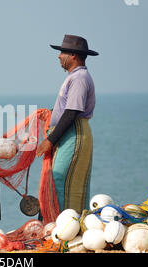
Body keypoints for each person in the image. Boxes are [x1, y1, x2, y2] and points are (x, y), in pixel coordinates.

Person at [36, 34, 99, 213]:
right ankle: (65, 226)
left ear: (73, 55)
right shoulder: (75, 77)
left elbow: (72, 112)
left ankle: (64, 228)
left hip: (74, 133)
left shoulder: (79, 78)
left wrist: (50, 140)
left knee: (59, 180)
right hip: (70, 132)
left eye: (62, 52)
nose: (58, 56)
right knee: (66, 182)